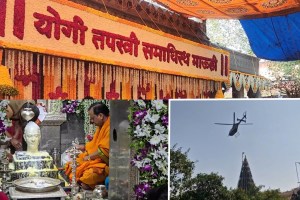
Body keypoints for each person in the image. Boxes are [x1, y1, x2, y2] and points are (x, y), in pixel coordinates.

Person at [65, 102, 110, 190]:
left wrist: (88, 157)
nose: (91, 121)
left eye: (92, 118)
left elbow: (104, 151)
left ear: (100, 115)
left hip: (105, 164)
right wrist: (82, 147)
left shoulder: (110, 127)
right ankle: (82, 183)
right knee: (71, 165)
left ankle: (87, 184)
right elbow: (95, 145)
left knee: (89, 175)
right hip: (95, 160)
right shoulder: (101, 126)